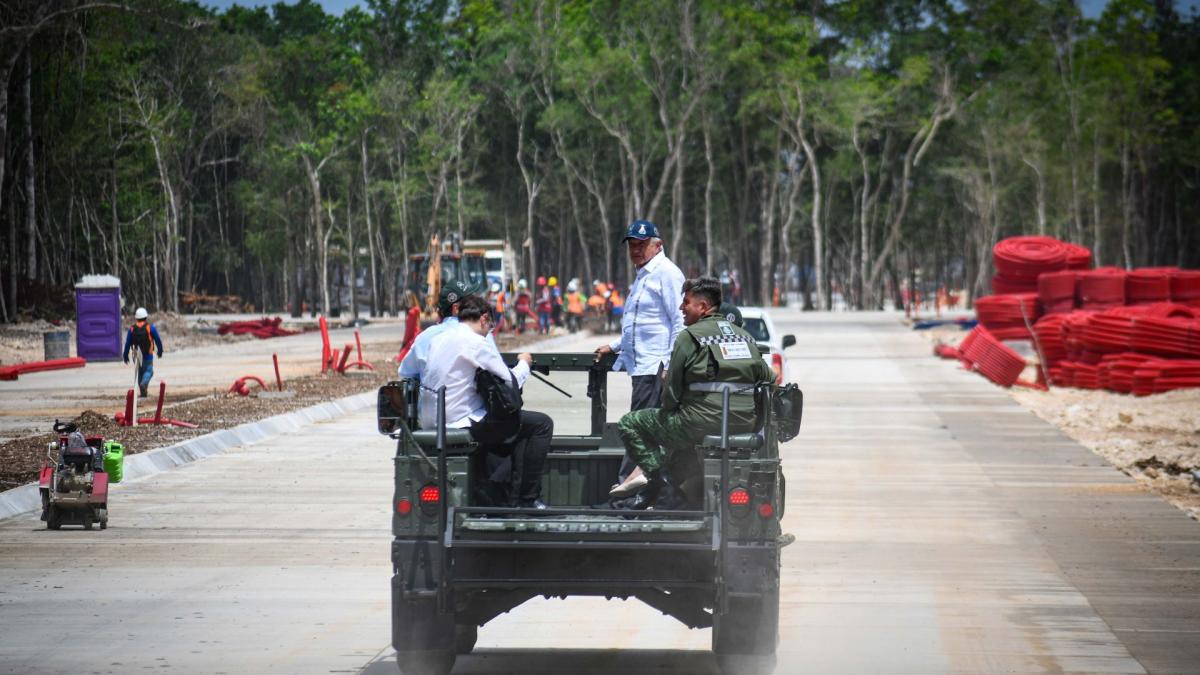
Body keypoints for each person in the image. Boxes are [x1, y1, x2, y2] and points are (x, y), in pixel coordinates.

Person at [611, 277, 774, 508]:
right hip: (744, 423)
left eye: (686, 302)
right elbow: (770, 380)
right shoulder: (745, 337)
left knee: (630, 423)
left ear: (703, 307)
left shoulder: (689, 337)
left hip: (698, 423)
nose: (681, 308)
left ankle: (657, 481)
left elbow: (671, 395)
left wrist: (670, 411)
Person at [422, 295, 552, 509]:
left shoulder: (439, 338)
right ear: (483, 319)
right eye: (490, 327)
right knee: (540, 424)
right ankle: (526, 499)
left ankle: (500, 494)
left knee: (511, 425)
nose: (488, 332)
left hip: (431, 419)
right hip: (457, 421)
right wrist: (524, 363)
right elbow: (509, 381)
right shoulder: (475, 342)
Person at [593, 219, 685, 480]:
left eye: (642, 245)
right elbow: (639, 325)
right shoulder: (644, 274)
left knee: (636, 431)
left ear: (658, 246)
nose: (636, 250)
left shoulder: (666, 273)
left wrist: (669, 364)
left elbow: (679, 322)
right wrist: (614, 346)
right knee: (643, 431)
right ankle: (645, 495)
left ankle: (626, 495)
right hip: (641, 366)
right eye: (632, 245)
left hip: (653, 367)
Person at [398, 279, 484, 419]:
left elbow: (406, 372)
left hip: (428, 419)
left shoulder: (424, 337)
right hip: (467, 418)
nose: (476, 306)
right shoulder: (476, 333)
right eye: (470, 302)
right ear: (456, 309)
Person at [122, 307, 163, 398]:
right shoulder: (150, 328)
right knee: (149, 371)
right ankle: (144, 384)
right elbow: (158, 341)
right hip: (148, 355)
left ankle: (143, 392)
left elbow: (127, 343)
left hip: (136, 355)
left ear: (136, 318)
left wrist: (125, 356)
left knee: (140, 372)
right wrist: (160, 351)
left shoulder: (132, 329)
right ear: (146, 317)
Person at [396, 290, 422, 364]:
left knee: (401, 358)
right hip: (417, 335)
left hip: (412, 338)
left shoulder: (412, 312)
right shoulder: (417, 309)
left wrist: (404, 343)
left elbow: (409, 330)